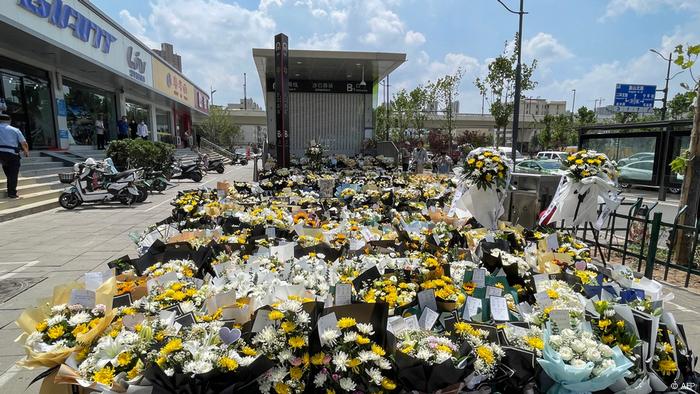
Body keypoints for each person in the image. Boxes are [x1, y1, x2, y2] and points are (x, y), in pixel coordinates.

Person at [0, 114, 29, 198]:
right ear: (9, 121)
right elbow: (24, 143)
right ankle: (12, 192)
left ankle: (10, 186)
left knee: (8, 171)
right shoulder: (15, 130)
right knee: (13, 173)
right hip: (12, 154)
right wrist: (26, 152)